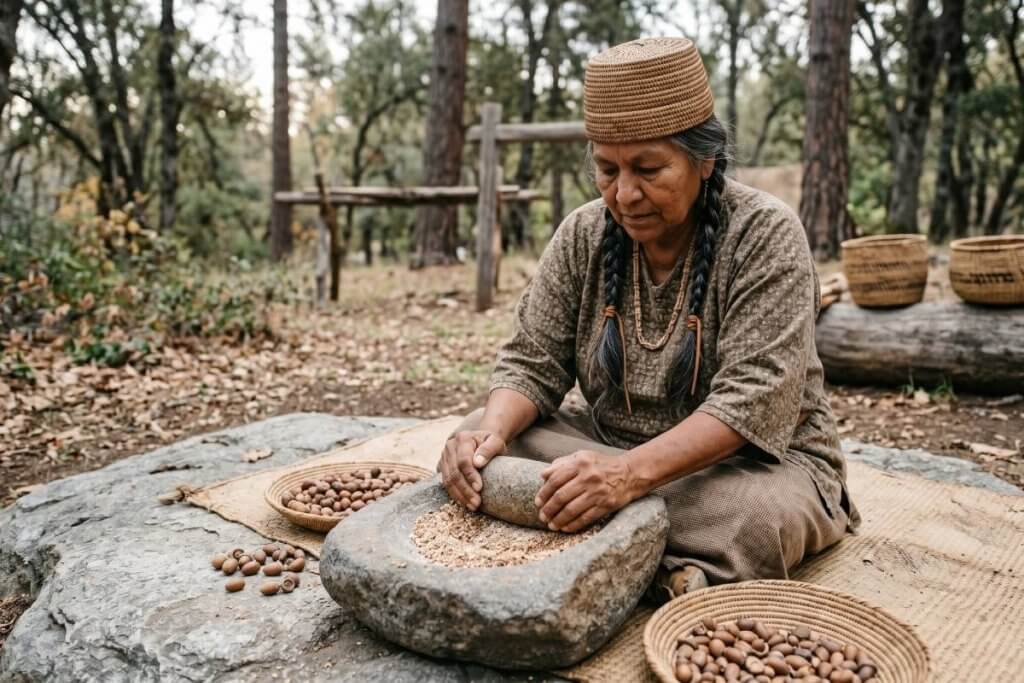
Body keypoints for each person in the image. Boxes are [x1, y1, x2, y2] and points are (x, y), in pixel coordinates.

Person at [438, 37, 859, 601]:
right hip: (605, 448)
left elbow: (753, 400)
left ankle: (596, 535)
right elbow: (530, 362)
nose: (625, 193)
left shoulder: (765, 233)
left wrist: (629, 477)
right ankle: (653, 557)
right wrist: (488, 438)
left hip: (740, 469)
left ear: (705, 159)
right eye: (606, 169)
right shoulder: (583, 233)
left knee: (757, 520)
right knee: (474, 438)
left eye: (648, 169)